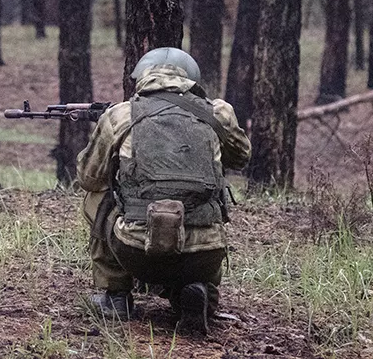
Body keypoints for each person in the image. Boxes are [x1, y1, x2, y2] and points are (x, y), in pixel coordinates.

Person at [77, 47, 251, 335]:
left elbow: (89, 178)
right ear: (192, 79)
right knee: (203, 229)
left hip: (137, 250)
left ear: (142, 78)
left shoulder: (120, 115)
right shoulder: (218, 113)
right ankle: (197, 292)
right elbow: (241, 157)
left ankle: (115, 296)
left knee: (97, 198)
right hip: (203, 253)